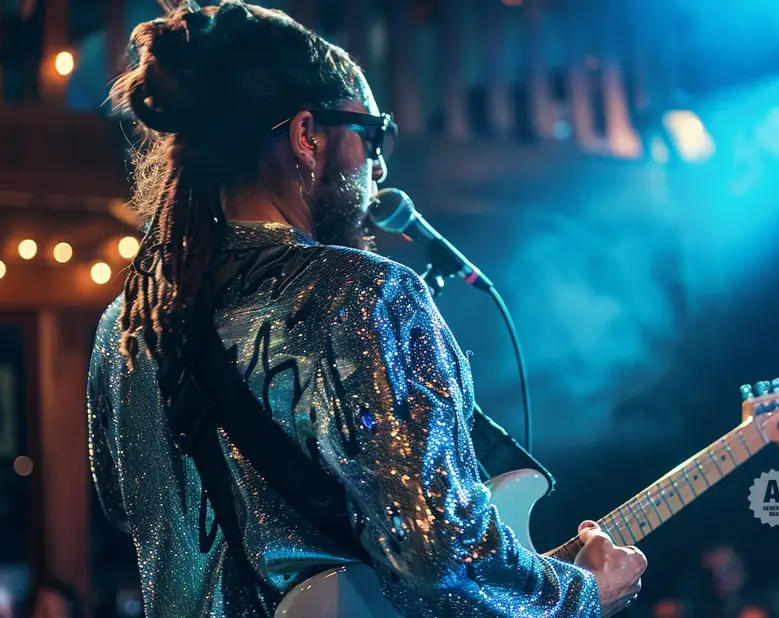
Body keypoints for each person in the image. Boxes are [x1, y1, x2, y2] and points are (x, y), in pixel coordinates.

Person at [87, 2, 646, 617]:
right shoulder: (364, 294)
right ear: (306, 137)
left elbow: (124, 506)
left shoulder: (124, 327)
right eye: (372, 134)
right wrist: (579, 593)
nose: (379, 166)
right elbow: (439, 553)